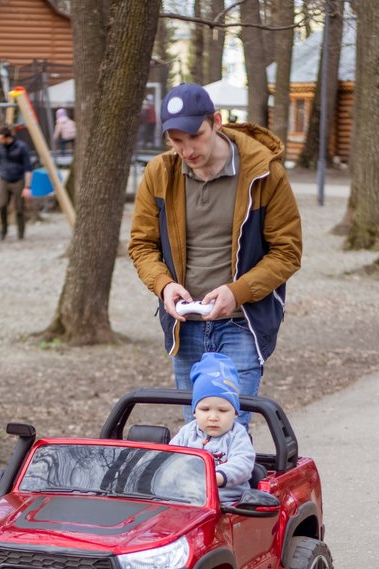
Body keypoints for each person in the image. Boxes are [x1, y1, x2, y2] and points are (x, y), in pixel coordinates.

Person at [128, 83, 302, 426]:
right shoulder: (159, 173)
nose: (187, 149)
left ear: (217, 122)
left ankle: (236, 480)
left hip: (242, 321)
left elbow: (287, 252)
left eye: (195, 136)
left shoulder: (264, 174)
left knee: (230, 429)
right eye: (176, 141)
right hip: (185, 324)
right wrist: (163, 286)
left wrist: (236, 293)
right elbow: (142, 245)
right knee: (197, 432)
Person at [170, 352, 255, 505]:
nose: (213, 417)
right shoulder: (187, 433)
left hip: (228, 502)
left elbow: (243, 462)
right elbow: (171, 457)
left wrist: (218, 476)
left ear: (235, 413)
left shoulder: (237, 435)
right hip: (186, 498)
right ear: (194, 411)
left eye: (222, 411)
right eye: (205, 409)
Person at [0, 126, 32, 240]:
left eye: (0, 139)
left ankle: (21, 233)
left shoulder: (21, 147)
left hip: (18, 179)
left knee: (19, 208)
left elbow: (28, 168)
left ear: (7, 138)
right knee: (1, 205)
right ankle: (4, 230)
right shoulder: (0, 147)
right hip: (4, 179)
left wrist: (27, 187)